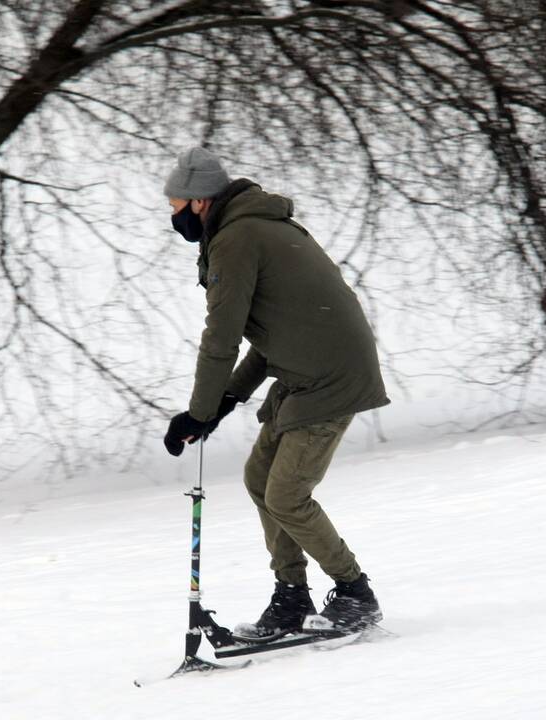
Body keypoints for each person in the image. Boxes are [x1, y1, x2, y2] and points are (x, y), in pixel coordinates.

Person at [160, 146, 390, 638]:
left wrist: (199, 412)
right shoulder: (252, 228)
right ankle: (291, 596)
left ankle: (355, 593)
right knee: (260, 478)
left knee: (287, 494)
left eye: (176, 204)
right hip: (305, 371)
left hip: (330, 377)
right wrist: (221, 404)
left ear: (200, 202)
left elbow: (220, 338)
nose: (172, 215)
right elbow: (274, 338)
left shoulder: (237, 239)